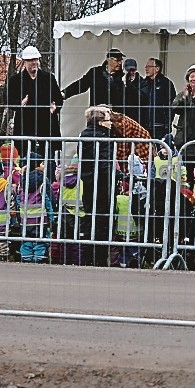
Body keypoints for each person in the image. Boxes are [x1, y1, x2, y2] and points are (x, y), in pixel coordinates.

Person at [5, 46, 64, 162]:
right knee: (27, 161)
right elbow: (8, 100)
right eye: (31, 60)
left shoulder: (49, 78)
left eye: (36, 59)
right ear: (25, 62)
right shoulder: (15, 81)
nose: (35, 63)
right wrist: (20, 104)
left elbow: (58, 99)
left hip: (47, 127)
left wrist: (55, 107)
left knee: (48, 160)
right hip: (25, 127)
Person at [80, 106, 118, 267]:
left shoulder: (84, 135)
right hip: (102, 185)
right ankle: (100, 258)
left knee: (90, 217)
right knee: (102, 221)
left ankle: (88, 257)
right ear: (101, 122)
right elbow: (104, 163)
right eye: (109, 120)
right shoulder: (102, 138)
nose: (111, 123)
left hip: (88, 183)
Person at [63, 48, 127, 112]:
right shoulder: (95, 72)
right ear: (108, 60)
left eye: (121, 60)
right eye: (117, 60)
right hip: (96, 114)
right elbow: (81, 85)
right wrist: (64, 93)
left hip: (115, 116)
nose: (120, 63)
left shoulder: (123, 77)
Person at [137, 57, 176, 140]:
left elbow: (171, 104)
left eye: (149, 67)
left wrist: (167, 122)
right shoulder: (143, 83)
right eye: (146, 67)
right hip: (144, 125)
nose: (146, 69)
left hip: (160, 126)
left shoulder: (166, 83)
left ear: (157, 68)